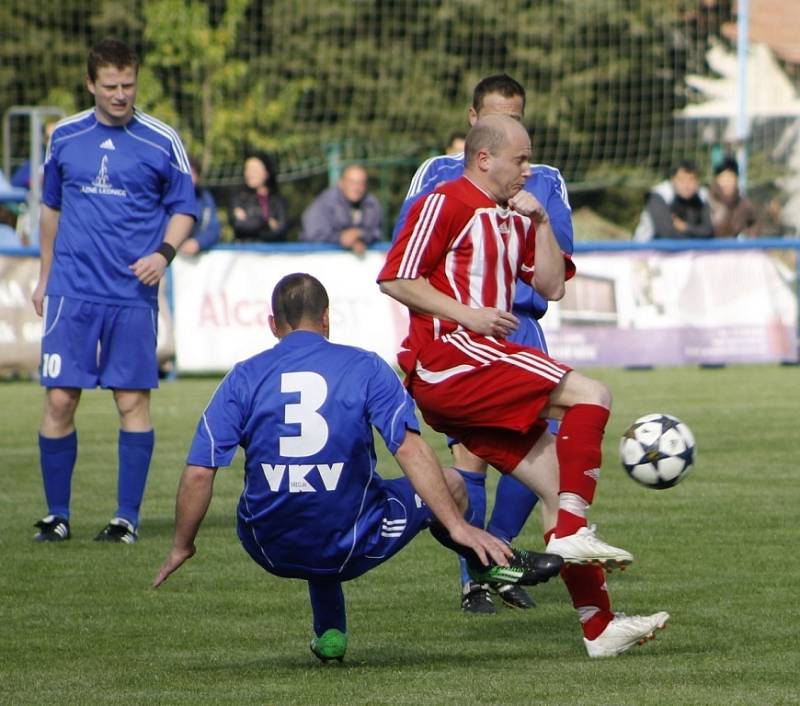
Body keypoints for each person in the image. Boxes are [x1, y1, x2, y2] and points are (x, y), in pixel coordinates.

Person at [153, 273, 561, 662]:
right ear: (327, 319)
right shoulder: (365, 367)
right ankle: (480, 563)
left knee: (315, 498)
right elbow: (409, 449)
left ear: (273, 324)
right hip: (351, 540)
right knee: (451, 482)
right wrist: (456, 525)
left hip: (268, 544)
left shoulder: (243, 376)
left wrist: (181, 545)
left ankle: (330, 635)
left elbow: (199, 472)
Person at [379, 115, 669, 658]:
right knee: (593, 395)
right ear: (484, 158)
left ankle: (599, 629)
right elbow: (395, 278)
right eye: (520, 159)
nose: (528, 170)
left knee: (559, 489)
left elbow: (553, 286)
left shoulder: (514, 215)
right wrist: (470, 314)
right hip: (451, 359)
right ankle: (571, 536)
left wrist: (540, 224)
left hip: (478, 359)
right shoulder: (443, 202)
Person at [394, 74, 574, 615]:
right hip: (460, 328)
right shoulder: (437, 174)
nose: (508, 126)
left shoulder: (544, 179)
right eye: (498, 115)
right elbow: (410, 256)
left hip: (520, 323)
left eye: (517, 116)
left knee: (545, 442)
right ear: (474, 121)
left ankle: (491, 556)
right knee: (472, 449)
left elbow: (556, 261)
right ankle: (478, 575)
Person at [30, 38, 197, 544]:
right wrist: (44, 275)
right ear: (91, 85)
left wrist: (162, 255)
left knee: (131, 402)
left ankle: (126, 518)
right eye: (111, 86)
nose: (121, 95)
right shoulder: (64, 137)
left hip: (131, 294)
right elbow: (50, 209)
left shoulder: (161, 140)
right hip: (73, 290)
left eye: (129, 84)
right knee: (59, 400)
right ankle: (57, 515)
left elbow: (186, 210)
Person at [299, 164, 382, 254]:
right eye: (352, 183)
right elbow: (312, 234)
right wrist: (340, 238)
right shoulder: (325, 203)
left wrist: (359, 234)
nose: (357, 188)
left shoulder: (371, 203)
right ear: (341, 183)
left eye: (361, 183)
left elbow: (376, 233)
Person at [633, 160, 713, 241]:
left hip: (690, 249)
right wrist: (695, 233)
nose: (687, 185)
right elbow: (666, 234)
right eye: (682, 180)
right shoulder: (659, 196)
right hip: (648, 249)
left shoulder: (702, 195)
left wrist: (686, 228)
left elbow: (708, 231)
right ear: (673, 180)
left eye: (691, 179)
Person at [228, 152, 289, 242]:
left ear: (266, 173)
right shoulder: (238, 198)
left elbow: (282, 228)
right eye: (247, 169)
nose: (250, 173)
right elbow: (239, 225)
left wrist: (250, 220)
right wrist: (267, 223)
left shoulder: (277, 199)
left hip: (273, 252)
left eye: (255, 170)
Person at [708, 156, 760, 237]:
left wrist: (748, 239)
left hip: (737, 248)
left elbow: (755, 222)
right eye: (723, 178)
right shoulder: (708, 203)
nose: (727, 182)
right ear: (717, 179)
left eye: (730, 177)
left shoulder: (744, 204)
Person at [179, 156, 221, 255]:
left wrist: (198, 243)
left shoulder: (205, 198)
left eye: (193, 173)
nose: (189, 178)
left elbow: (214, 228)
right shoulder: (163, 198)